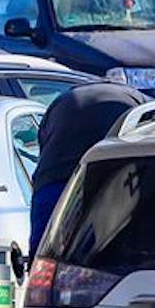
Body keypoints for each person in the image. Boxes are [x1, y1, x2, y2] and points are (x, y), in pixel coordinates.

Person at [29, 82, 138, 253]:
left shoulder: (62, 102)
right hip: (110, 181)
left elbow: (44, 144)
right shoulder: (139, 106)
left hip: (54, 179)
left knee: (44, 249)